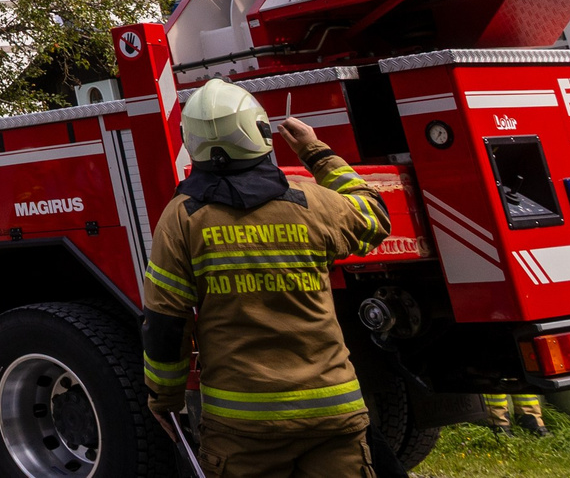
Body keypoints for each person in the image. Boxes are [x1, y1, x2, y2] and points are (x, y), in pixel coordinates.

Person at [143, 80, 391, 478]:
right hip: (331, 411)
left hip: (242, 425)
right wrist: (316, 152)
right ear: (258, 131)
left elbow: (166, 322)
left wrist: (164, 399)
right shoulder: (312, 202)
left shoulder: (182, 218)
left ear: (193, 141)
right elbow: (374, 215)